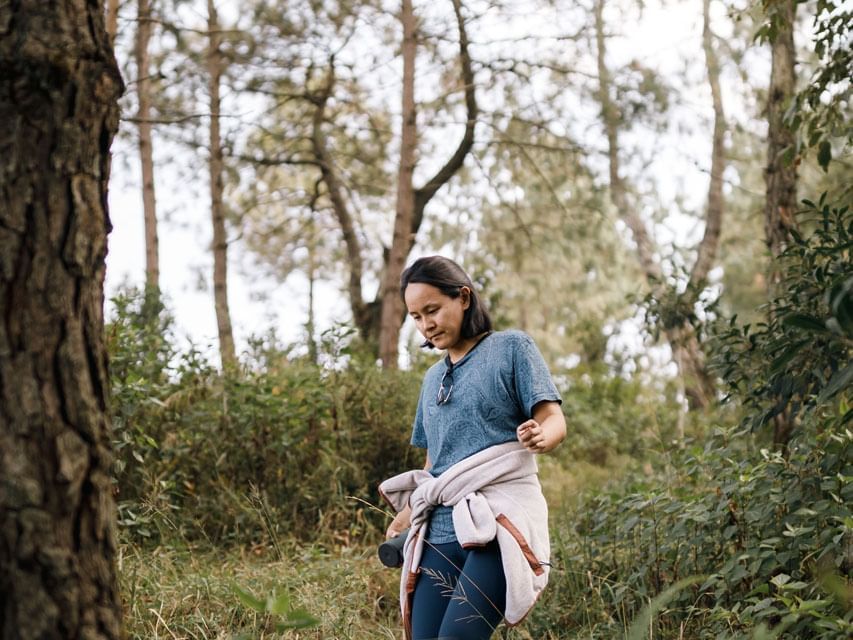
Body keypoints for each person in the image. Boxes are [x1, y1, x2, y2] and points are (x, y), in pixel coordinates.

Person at [379, 255, 566, 640]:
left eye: (432, 310)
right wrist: (410, 511)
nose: (426, 324)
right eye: (415, 316)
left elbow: (553, 418)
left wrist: (542, 437)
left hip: (498, 523)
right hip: (441, 531)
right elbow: (435, 462)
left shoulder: (511, 348)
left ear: (463, 298)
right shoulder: (432, 379)